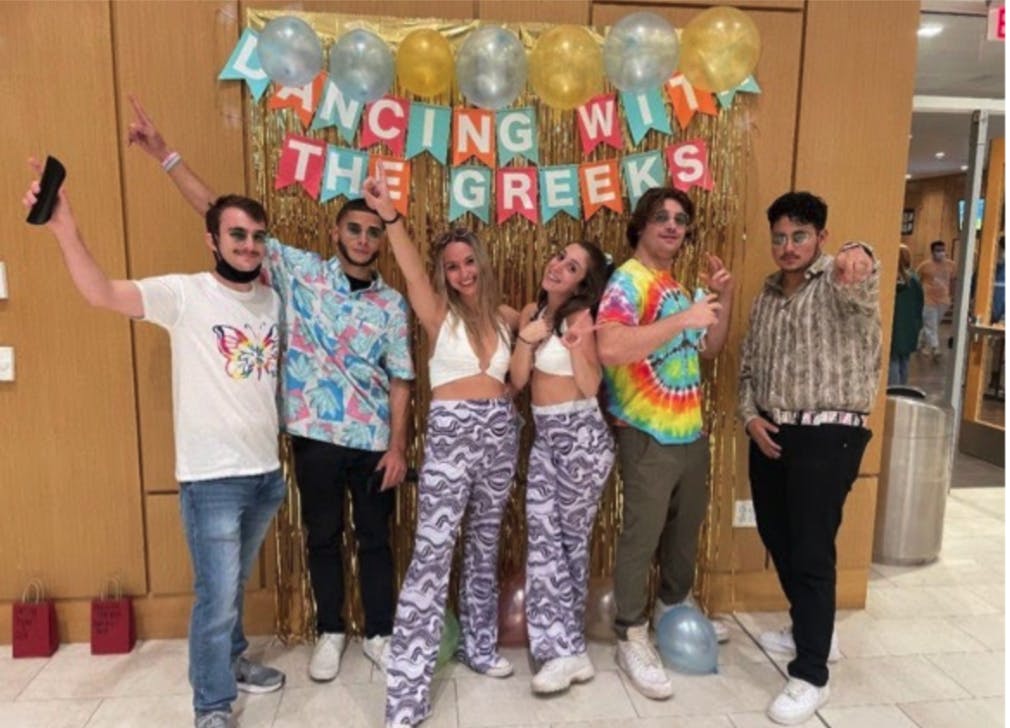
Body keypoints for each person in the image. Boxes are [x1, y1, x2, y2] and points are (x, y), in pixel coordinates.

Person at [127, 97, 414, 681]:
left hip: (373, 439)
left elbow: (402, 377)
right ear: (337, 231)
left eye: (372, 231)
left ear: (382, 239)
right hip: (312, 435)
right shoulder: (298, 271)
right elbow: (219, 212)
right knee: (323, 538)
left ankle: (381, 632)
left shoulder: (392, 303)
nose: (362, 239)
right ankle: (332, 631)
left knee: (376, 540)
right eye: (353, 228)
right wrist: (166, 156)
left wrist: (399, 446)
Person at [22, 161, 286, 728]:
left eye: (258, 237)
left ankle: (233, 662)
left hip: (266, 472)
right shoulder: (183, 295)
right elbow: (101, 293)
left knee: (232, 584)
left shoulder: (271, 300)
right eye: (237, 234)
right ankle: (211, 704)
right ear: (211, 239)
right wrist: (66, 228)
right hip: (211, 479)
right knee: (215, 600)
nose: (249, 246)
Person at [360, 174, 519, 728]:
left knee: (483, 543)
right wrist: (390, 216)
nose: (463, 273)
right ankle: (406, 695)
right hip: (452, 434)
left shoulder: (506, 318)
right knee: (432, 556)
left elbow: (548, 330)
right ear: (443, 274)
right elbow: (405, 262)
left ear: (482, 263)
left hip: (501, 431)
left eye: (469, 263)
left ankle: (480, 647)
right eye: (452, 266)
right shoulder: (436, 314)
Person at [739, 191, 880, 725]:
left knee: (812, 550)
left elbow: (862, 275)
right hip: (772, 433)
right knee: (779, 539)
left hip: (829, 435)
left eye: (799, 236)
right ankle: (812, 628)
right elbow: (748, 366)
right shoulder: (767, 293)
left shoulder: (840, 284)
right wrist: (750, 417)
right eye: (779, 237)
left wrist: (861, 254)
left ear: (820, 237)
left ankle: (812, 673)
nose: (787, 246)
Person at [595, 187, 733, 701]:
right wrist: (682, 319)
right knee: (642, 535)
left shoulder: (675, 285)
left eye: (680, 219)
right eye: (661, 218)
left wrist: (722, 296)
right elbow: (608, 348)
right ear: (641, 226)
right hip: (647, 433)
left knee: (683, 532)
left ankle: (672, 608)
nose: (673, 226)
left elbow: (709, 348)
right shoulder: (627, 282)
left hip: (689, 430)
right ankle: (631, 632)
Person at [508, 241, 615, 694]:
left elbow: (590, 385)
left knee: (568, 548)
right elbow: (516, 380)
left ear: (581, 282)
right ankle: (565, 650)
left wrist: (574, 347)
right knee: (545, 544)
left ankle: (564, 652)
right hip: (547, 439)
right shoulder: (535, 312)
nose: (558, 267)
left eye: (572, 267)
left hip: (581, 438)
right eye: (558, 258)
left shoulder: (581, 317)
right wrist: (525, 338)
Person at [888, 244, 923, 385]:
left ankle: (893, 393)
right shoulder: (914, 280)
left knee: (893, 361)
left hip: (895, 325)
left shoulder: (891, 280)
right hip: (910, 326)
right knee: (905, 361)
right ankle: (903, 389)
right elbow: (920, 304)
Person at [916, 239, 957, 360]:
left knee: (931, 324)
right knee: (931, 324)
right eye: (938, 250)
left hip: (944, 300)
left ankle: (920, 343)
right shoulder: (924, 266)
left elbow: (953, 280)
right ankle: (935, 348)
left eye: (943, 250)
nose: (941, 253)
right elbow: (916, 279)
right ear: (932, 252)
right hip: (928, 299)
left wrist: (952, 295)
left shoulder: (951, 265)